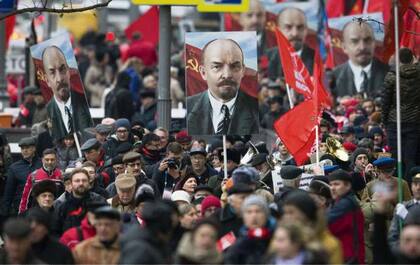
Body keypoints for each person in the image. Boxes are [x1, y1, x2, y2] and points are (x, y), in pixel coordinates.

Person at [186, 38, 259, 135]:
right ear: (203, 72)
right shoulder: (188, 108)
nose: (227, 74)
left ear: (243, 71)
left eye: (234, 66)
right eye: (217, 67)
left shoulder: (257, 111)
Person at [382, 48, 420, 179]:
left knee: (396, 157)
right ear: (412, 58)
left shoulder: (391, 76)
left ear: (398, 60)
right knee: (411, 157)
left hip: (394, 122)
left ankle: (399, 188)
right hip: (415, 121)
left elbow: (385, 101)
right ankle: (411, 188)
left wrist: (384, 120)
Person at [42, 45, 93, 141]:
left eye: (62, 69)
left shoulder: (84, 103)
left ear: (69, 72)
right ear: (47, 80)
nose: (60, 79)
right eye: (52, 72)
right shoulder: (46, 112)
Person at [282, 190, 343, 264]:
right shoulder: (281, 239)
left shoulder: (329, 244)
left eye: (291, 212)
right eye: (285, 213)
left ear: (305, 213)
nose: (286, 217)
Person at [331, 21, 388, 98]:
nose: (362, 47)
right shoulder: (332, 79)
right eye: (355, 41)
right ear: (344, 47)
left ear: (374, 43)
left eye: (367, 40)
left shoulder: (394, 75)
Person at [224, 195, 276, 264]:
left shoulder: (278, 238)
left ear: (266, 214)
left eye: (258, 211)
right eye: (249, 212)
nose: (254, 215)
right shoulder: (236, 241)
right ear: (244, 217)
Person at [327, 169, 365, 264]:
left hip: (349, 257)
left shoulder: (345, 204)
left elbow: (326, 224)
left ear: (348, 186)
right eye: (331, 185)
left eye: (336, 184)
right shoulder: (340, 201)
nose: (332, 188)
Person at [53, 168, 106, 235]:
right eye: (77, 181)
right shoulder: (62, 206)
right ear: (71, 183)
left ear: (89, 183)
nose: (81, 183)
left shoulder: (100, 202)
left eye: (84, 180)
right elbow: (56, 232)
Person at [267, 7, 315, 81]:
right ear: (278, 30)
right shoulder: (266, 58)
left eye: (300, 27)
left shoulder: (317, 59)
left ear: (306, 30)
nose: (295, 33)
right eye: (288, 27)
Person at [1, 137, 42, 217]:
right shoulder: (14, 168)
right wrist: (4, 213)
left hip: (40, 207)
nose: (24, 151)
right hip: (21, 208)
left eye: (27, 148)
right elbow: (8, 193)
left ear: (34, 148)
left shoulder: (42, 164)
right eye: (22, 148)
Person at [19, 148, 63, 214]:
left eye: (52, 160)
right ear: (42, 160)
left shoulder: (62, 175)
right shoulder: (33, 176)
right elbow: (25, 197)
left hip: (57, 212)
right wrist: (22, 214)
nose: (49, 162)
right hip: (37, 213)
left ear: (56, 160)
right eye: (47, 160)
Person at [388, 173, 420, 250]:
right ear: (411, 186)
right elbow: (392, 237)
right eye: (415, 184)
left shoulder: (404, 211)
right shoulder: (403, 207)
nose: (418, 188)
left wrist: (406, 216)